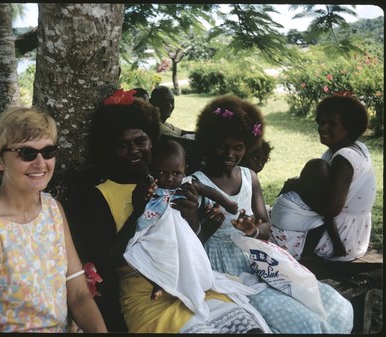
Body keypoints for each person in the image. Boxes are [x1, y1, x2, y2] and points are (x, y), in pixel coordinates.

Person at [78, 89, 270, 333]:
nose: (134, 150)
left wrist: (201, 225)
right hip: (149, 298)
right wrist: (137, 213)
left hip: (192, 283)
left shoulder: (173, 182)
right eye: (122, 145)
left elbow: (186, 244)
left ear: (152, 141)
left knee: (251, 330)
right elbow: (106, 262)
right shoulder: (100, 195)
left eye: (140, 141)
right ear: (109, 148)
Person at [192, 94, 354, 334]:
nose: (230, 154)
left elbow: (266, 227)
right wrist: (211, 226)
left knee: (335, 304)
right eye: (222, 146)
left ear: (248, 146)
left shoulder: (249, 177)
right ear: (209, 143)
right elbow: (189, 242)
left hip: (256, 259)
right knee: (304, 322)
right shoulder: (198, 183)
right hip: (223, 270)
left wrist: (254, 230)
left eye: (238, 148)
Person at [0, 106, 107, 332]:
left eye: (48, 151)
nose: (40, 162)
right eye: (27, 153)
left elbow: (79, 294)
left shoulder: (52, 210)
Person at [124, 139, 239, 302]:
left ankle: (189, 280)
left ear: (185, 170)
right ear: (152, 169)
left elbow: (209, 191)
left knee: (186, 254)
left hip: (179, 232)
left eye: (176, 173)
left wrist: (228, 203)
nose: (170, 178)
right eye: (162, 173)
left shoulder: (187, 184)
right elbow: (140, 202)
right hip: (155, 230)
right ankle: (157, 283)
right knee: (136, 253)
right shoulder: (150, 184)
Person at [270, 94, 377, 263]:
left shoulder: (345, 157)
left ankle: (306, 255)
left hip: (341, 239)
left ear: (349, 128)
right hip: (351, 235)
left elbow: (330, 210)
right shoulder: (353, 148)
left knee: (265, 239)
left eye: (332, 124)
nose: (323, 127)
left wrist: (298, 186)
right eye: (321, 122)